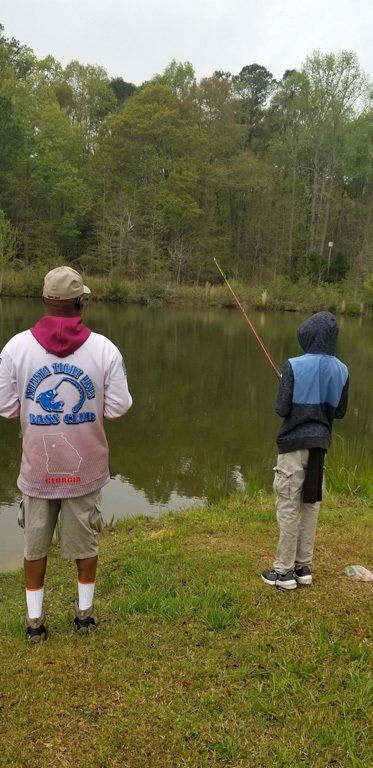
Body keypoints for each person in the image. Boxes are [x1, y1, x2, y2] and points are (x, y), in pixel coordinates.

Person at [0, 266, 132, 640]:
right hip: (84, 468)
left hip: (37, 469)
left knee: (34, 548)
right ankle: (84, 617)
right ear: (80, 303)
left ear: (44, 302)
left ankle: (35, 624)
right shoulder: (105, 349)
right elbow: (119, 407)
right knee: (85, 545)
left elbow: (7, 406)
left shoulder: (14, 347)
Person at [261, 311, 349, 590]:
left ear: (308, 335)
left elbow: (281, 408)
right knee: (310, 505)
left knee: (288, 505)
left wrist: (288, 388)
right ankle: (303, 567)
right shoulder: (343, 370)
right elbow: (341, 411)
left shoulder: (294, 365)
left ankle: (284, 573)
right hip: (320, 446)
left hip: (293, 446)